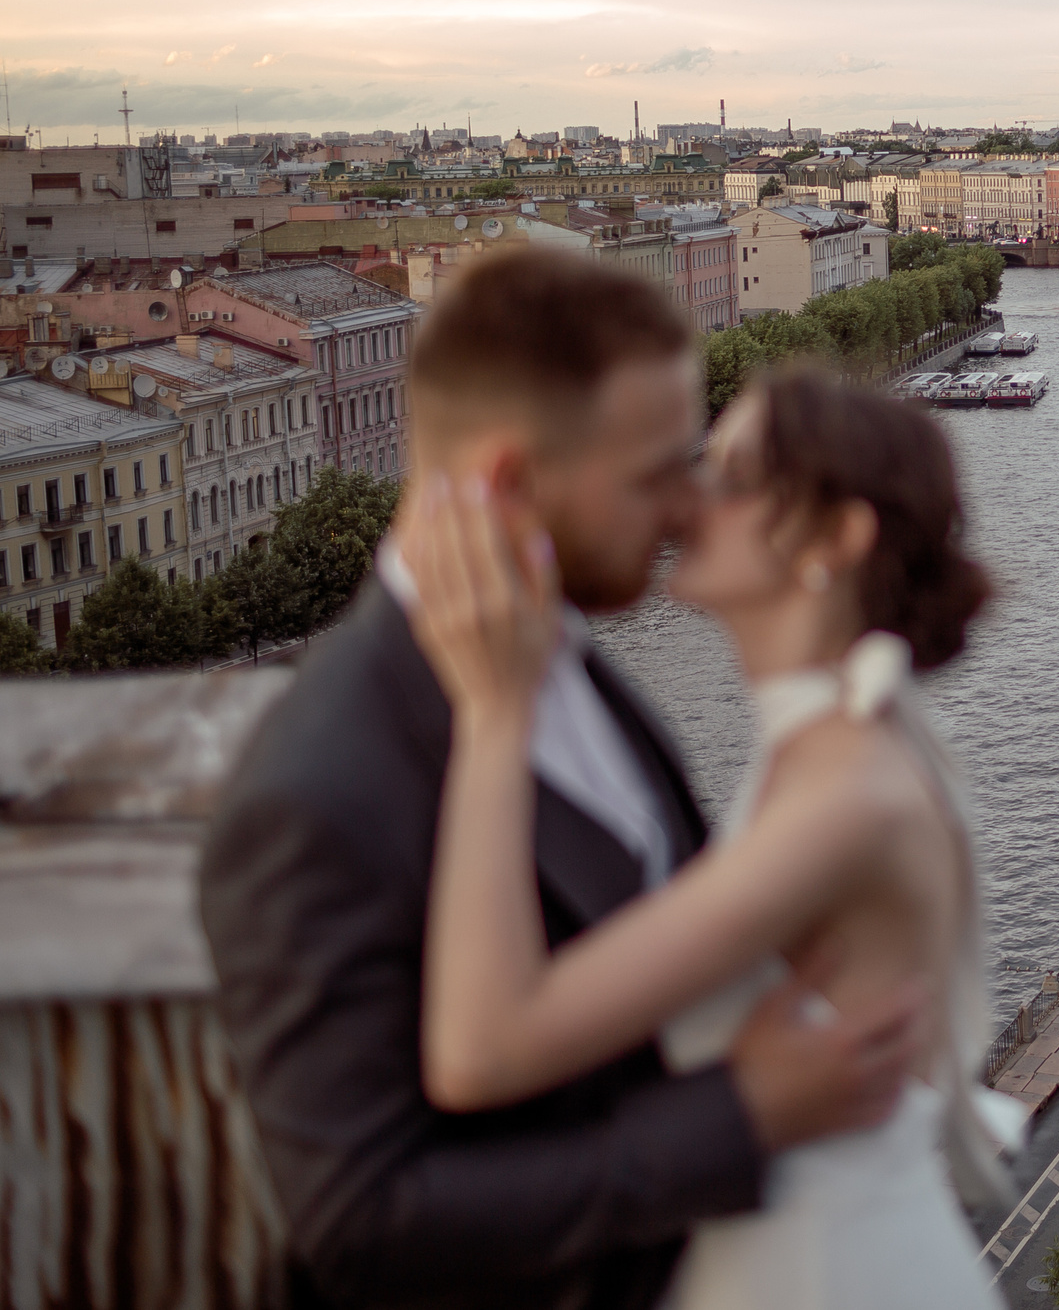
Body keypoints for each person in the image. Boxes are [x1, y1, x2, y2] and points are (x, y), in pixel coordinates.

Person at [199, 252, 931, 1310]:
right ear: (507, 481)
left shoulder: (557, 641)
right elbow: (362, 1219)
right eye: (655, 472)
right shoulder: (310, 794)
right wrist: (739, 1117)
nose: (689, 506)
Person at [402, 360, 1011, 1309]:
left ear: (834, 537)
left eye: (729, 476)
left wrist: (492, 711)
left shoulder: (846, 795)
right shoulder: (831, 750)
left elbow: (485, 1044)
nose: (687, 499)